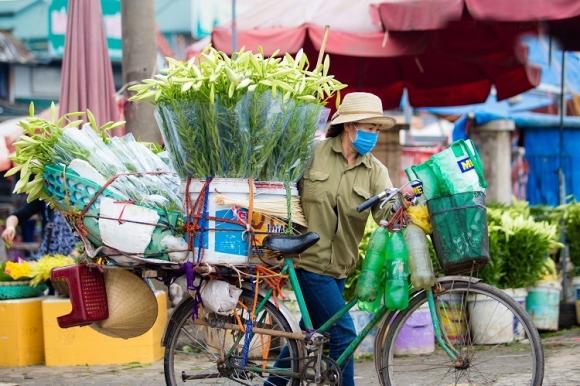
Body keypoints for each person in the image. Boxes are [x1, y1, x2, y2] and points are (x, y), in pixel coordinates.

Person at [269, 92, 396, 386]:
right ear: (349, 126)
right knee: (344, 336)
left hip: (339, 268)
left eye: (376, 129)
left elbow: (386, 210)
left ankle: (272, 383)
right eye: (368, 127)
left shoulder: (376, 171)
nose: (373, 135)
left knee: (306, 335)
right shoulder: (312, 152)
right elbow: (279, 190)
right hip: (307, 263)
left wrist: (404, 208)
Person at [2, 199, 78, 259]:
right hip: (47, 258)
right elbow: (17, 216)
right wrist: (10, 227)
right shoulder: (44, 197)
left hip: (76, 257)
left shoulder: (80, 198)